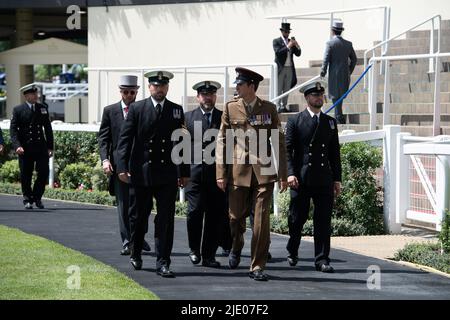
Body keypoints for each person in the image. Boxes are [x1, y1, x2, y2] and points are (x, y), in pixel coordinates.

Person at [216, 67, 288, 281]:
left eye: (240, 84)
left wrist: (283, 174)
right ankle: (236, 246)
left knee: (261, 221)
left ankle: (257, 266)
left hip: (264, 172)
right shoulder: (230, 108)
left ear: (251, 86)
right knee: (235, 218)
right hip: (238, 171)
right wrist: (221, 173)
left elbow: (279, 143)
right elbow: (223, 141)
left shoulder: (269, 109)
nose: (236, 88)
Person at [116, 70, 190, 278]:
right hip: (142, 173)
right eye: (156, 86)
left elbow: (181, 143)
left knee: (166, 220)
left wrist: (183, 171)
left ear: (167, 88)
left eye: (163, 86)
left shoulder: (176, 110)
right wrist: (122, 167)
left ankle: (163, 262)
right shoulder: (137, 108)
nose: (159, 89)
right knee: (139, 218)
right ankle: (136, 251)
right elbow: (125, 140)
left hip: (166, 174)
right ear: (149, 87)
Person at [285, 80, 342, 273]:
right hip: (301, 179)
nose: (319, 98)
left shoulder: (330, 122)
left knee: (323, 221)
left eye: (321, 95)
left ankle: (322, 259)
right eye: (315, 95)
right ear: (307, 98)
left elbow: (335, 153)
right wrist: (290, 174)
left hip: (323, 178)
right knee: (296, 219)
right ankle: (293, 249)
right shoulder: (295, 120)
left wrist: (337, 179)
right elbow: (287, 150)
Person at [98, 75, 151, 256]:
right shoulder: (110, 111)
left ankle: (139, 236)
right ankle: (128, 241)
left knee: (144, 205)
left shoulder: (145, 109)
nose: (129, 95)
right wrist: (105, 160)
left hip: (141, 165)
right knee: (124, 205)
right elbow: (104, 138)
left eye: (132, 92)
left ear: (137, 92)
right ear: (120, 92)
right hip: (119, 164)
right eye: (126, 92)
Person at [184, 80, 227, 268]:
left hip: (217, 176)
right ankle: (194, 249)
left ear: (215, 96)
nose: (208, 97)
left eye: (211, 94)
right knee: (194, 212)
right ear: (198, 97)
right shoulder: (188, 117)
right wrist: (181, 172)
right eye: (204, 94)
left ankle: (209, 255)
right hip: (194, 175)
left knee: (214, 216)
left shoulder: (223, 117)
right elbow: (181, 147)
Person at [10, 84, 53, 209]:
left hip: (41, 147)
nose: (36, 96)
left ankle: (37, 197)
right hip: (25, 148)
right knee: (26, 174)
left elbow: (48, 129)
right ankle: (27, 199)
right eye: (33, 94)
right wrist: (17, 145)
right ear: (26, 96)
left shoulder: (42, 108)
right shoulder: (18, 110)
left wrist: (50, 147)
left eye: (36, 94)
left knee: (44, 172)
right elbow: (13, 130)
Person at [320, 20, 357, 125]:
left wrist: (322, 71)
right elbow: (354, 59)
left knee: (336, 97)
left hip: (334, 75)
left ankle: (339, 118)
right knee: (338, 97)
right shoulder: (348, 44)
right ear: (341, 31)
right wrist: (349, 71)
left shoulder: (330, 43)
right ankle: (339, 116)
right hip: (345, 75)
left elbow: (326, 59)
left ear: (332, 31)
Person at [273, 22, 301, 113]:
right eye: (285, 31)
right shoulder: (276, 41)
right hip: (281, 68)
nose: (287, 33)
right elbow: (278, 52)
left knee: (286, 89)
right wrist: (288, 46)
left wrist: (296, 45)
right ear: (282, 31)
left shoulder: (290, 41)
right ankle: (277, 107)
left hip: (289, 68)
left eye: (288, 32)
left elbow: (298, 54)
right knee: (279, 88)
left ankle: (283, 106)